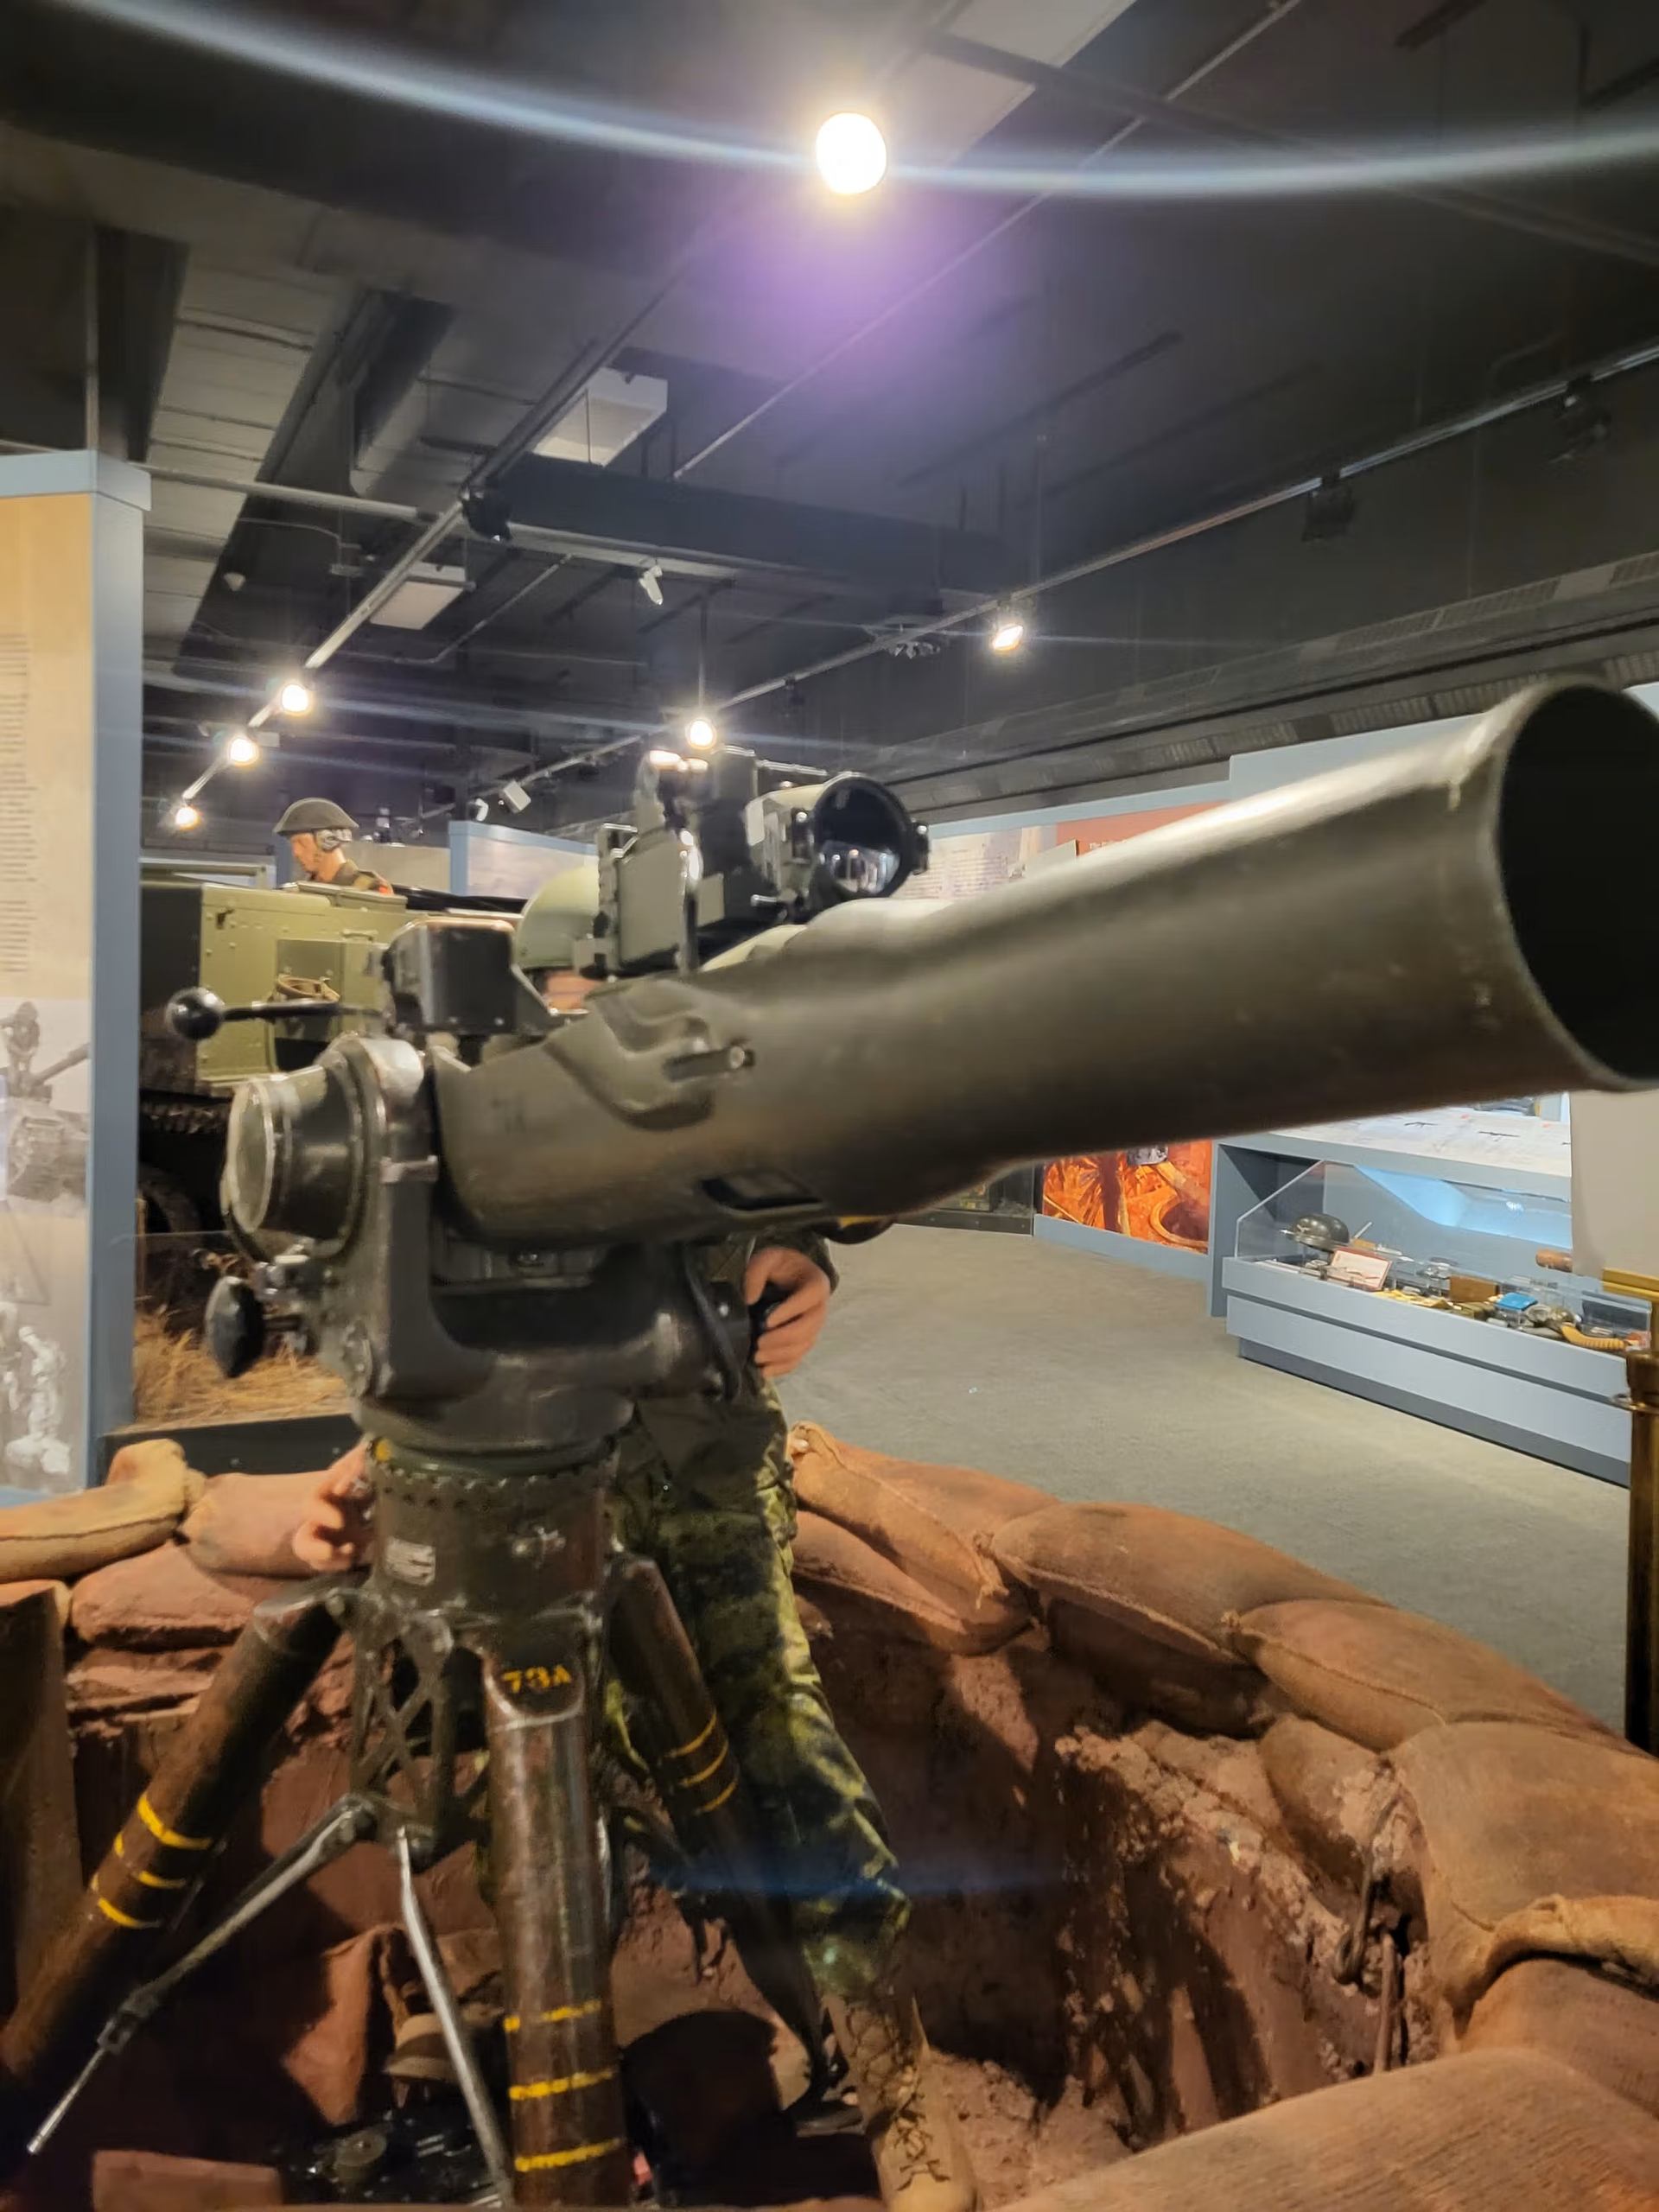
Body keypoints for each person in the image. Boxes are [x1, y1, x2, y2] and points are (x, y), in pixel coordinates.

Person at [292, 865, 976, 2212]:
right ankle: (535, 2031)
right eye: (574, 1007)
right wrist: (376, 1457)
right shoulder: (482, 1119)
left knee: (779, 1747)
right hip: (530, 1491)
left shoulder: (705, 1090)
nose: (595, 1034)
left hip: (698, 1480)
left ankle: (871, 2044)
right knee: (514, 1781)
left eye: (620, 1005)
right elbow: (430, 1319)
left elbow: (807, 1191)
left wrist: (807, 1270)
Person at [275, 798, 392, 894]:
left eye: (301, 843)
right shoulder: (299, 891)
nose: (296, 853)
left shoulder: (370, 889)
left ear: (328, 839)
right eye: (293, 845)